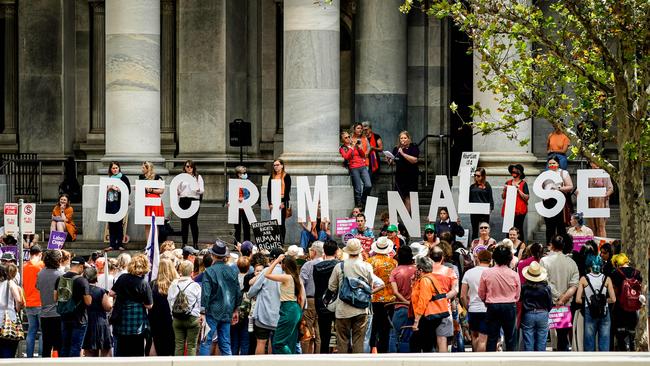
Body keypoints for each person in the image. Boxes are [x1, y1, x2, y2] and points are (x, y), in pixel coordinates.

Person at [328, 238, 374, 353]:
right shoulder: (366, 266)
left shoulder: (339, 266)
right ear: (359, 251)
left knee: (342, 340)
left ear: (347, 251)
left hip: (343, 309)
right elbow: (370, 286)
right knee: (359, 340)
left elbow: (332, 287)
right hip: (361, 308)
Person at [201, 241, 242, 356]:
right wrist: (235, 309)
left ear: (213, 255)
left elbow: (206, 294)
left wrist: (202, 312)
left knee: (206, 342)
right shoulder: (232, 271)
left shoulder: (209, 271)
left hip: (212, 311)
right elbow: (238, 292)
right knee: (225, 344)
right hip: (227, 310)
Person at [540, 235, 579, 351]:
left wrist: (557, 297)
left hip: (551, 302)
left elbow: (544, 281)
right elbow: (574, 285)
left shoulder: (544, 261)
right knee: (563, 335)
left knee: (554, 336)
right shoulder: (572, 263)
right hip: (566, 304)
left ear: (551, 245)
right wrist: (563, 299)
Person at [110, 254, 154, 357]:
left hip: (121, 317)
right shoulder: (143, 283)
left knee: (121, 348)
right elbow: (149, 305)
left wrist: (121, 294)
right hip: (136, 320)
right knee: (137, 349)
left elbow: (111, 293)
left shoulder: (122, 277)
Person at [478, 245, 520, 351]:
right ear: (509, 258)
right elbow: (517, 295)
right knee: (510, 337)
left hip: (493, 306)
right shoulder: (514, 274)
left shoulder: (487, 272)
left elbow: (481, 293)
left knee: (492, 337)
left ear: (494, 257)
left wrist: (486, 301)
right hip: (509, 306)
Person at [409, 256, 451, 353]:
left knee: (416, 343)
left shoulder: (425, 280)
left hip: (427, 316)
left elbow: (423, 300)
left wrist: (416, 321)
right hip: (432, 316)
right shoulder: (430, 278)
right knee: (426, 343)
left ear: (420, 269)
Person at [264, 254, 304, 354]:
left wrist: (277, 260)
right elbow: (301, 298)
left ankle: (289, 360)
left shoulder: (287, 277)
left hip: (289, 308)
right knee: (291, 341)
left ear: (285, 265)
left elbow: (267, 274)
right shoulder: (296, 277)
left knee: (278, 342)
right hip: (296, 309)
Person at [575, 254, 616, 351]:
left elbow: (577, 299)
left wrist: (590, 301)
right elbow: (613, 299)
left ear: (589, 265)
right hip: (604, 311)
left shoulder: (584, 279)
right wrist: (603, 301)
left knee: (589, 341)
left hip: (589, 311)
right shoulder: (607, 279)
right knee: (604, 341)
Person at [55, 256, 92, 357]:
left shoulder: (60, 278)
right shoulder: (82, 281)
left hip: (64, 316)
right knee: (75, 347)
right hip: (79, 318)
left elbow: (55, 297)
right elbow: (88, 302)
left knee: (65, 346)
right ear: (80, 266)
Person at [248, 249, 282, 355]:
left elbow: (252, 291)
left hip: (263, 314)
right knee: (274, 342)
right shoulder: (286, 272)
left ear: (271, 259)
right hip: (280, 315)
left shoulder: (265, 272)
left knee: (261, 342)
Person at [367, 237, 397, 353]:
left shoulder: (369, 262)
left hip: (374, 298)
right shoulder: (393, 262)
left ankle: (372, 350)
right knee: (385, 328)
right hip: (389, 299)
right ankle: (383, 351)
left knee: (373, 327)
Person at [609, 253, 643, 351]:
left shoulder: (615, 273)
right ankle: (632, 352)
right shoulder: (637, 273)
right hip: (634, 308)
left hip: (620, 307)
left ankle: (623, 356)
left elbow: (614, 292)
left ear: (616, 263)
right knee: (631, 333)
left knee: (620, 335)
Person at [168, 260, 202, 356]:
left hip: (177, 318)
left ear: (180, 271)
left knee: (179, 345)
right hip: (192, 319)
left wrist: (173, 314)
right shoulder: (195, 286)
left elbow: (169, 300)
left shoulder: (173, 285)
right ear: (192, 272)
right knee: (192, 346)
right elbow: (200, 303)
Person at [461, 248, 491, 352]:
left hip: (473, 309)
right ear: (490, 260)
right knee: (483, 339)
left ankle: (474, 359)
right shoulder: (492, 272)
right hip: (487, 309)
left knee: (474, 336)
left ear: (478, 259)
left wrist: (468, 307)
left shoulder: (469, 273)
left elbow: (462, 295)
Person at [313, 240, 340, 354]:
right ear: (336, 251)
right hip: (337, 302)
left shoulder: (316, 267)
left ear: (324, 251)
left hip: (321, 302)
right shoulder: (339, 265)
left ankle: (324, 358)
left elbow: (317, 285)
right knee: (341, 334)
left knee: (324, 336)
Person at [389, 246, 417, 353]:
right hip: (414, 307)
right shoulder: (416, 271)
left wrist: (405, 301)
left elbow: (395, 292)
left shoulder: (395, 272)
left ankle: (392, 359)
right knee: (408, 334)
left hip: (400, 306)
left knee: (394, 334)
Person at [519, 261, 553, 351]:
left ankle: (529, 361)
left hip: (528, 314)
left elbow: (520, 300)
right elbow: (550, 303)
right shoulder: (546, 288)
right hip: (543, 313)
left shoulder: (524, 287)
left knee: (528, 340)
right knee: (542, 340)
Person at [36, 249, 64, 357]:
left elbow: (38, 287)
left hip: (44, 313)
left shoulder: (40, 273)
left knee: (46, 345)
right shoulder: (61, 274)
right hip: (58, 313)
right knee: (59, 345)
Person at [81, 267, 113, 357]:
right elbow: (108, 307)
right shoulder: (100, 291)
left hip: (87, 321)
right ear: (96, 277)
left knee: (89, 353)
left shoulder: (82, 291)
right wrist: (110, 299)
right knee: (105, 352)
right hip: (100, 322)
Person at [148, 259, 177, 356]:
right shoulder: (175, 284)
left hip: (155, 319)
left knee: (157, 344)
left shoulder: (152, 284)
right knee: (171, 345)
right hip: (171, 318)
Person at [542, 155, 574, 244]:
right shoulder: (545, 174)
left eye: (554, 163)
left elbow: (570, 186)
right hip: (547, 202)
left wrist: (559, 189)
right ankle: (549, 246)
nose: (552, 165)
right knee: (549, 226)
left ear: (558, 164)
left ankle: (562, 247)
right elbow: (541, 187)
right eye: (550, 164)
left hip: (559, 201)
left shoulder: (563, 173)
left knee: (560, 226)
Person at [299, 241, 324, 353]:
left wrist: (301, 301)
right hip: (323, 301)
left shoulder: (308, 265)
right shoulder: (326, 264)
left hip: (310, 300)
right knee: (319, 332)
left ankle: (305, 357)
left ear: (313, 252)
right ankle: (318, 356)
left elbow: (301, 283)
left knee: (307, 331)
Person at [340, 130, 373, 209]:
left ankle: (363, 200)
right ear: (342, 140)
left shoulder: (354, 145)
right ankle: (359, 204)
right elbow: (346, 157)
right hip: (353, 168)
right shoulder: (342, 148)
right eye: (346, 138)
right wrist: (351, 148)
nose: (348, 138)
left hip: (362, 166)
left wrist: (359, 148)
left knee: (368, 185)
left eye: (349, 136)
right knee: (358, 188)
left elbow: (363, 155)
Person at [387, 131, 420, 210]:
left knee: (408, 196)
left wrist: (403, 154)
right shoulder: (396, 149)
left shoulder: (414, 147)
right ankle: (402, 213)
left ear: (409, 139)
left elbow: (414, 160)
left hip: (411, 176)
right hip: (400, 176)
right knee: (400, 195)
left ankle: (407, 215)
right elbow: (393, 162)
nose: (403, 139)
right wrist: (389, 160)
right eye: (401, 138)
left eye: (405, 138)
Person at [23, 244, 44, 358]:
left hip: (29, 303)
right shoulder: (41, 266)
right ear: (40, 254)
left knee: (31, 331)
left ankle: (29, 356)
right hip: (40, 303)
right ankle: (41, 355)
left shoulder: (24, 267)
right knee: (43, 331)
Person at [178, 160, 204, 248]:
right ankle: (184, 243)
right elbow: (177, 190)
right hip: (183, 200)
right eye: (187, 166)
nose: (189, 168)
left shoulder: (198, 177)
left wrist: (196, 189)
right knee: (184, 223)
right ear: (184, 167)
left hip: (194, 201)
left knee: (193, 223)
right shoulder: (181, 177)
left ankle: (195, 243)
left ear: (194, 167)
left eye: (191, 166)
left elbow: (202, 190)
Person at [105, 161, 131, 251]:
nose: (115, 169)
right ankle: (112, 244)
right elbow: (104, 191)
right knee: (111, 225)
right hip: (110, 203)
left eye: (116, 168)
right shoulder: (109, 179)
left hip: (119, 204)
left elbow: (128, 191)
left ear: (119, 168)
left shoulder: (123, 178)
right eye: (113, 168)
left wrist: (119, 190)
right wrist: (110, 188)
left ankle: (119, 244)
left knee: (119, 225)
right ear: (110, 169)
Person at [585, 161, 614, 237]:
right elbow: (581, 188)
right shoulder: (586, 173)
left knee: (601, 226)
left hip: (601, 202)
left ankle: (602, 246)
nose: (596, 163)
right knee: (591, 227)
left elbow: (611, 188)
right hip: (589, 201)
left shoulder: (604, 173)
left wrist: (605, 195)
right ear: (591, 163)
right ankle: (592, 246)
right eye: (594, 162)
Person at [0, 265, 23, 358]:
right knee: (9, 344)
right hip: (9, 317)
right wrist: (17, 309)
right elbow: (18, 299)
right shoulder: (10, 283)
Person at [501, 164, 529, 241]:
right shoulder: (508, 182)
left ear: (519, 172)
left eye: (515, 171)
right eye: (512, 171)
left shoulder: (523, 183)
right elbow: (503, 197)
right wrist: (504, 190)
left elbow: (527, 197)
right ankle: (508, 246)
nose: (513, 172)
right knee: (508, 229)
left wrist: (518, 190)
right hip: (509, 210)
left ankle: (520, 247)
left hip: (519, 210)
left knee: (518, 228)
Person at [267, 159, 291, 243]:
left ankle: (282, 242)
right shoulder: (272, 176)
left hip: (282, 200)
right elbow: (269, 191)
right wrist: (270, 203)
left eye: (277, 165)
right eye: (274, 165)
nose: (276, 167)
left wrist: (284, 202)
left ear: (282, 165)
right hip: (274, 201)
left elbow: (287, 191)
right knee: (274, 223)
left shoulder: (286, 176)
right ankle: (275, 241)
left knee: (281, 223)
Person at [139, 161, 165, 241]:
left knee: (155, 223)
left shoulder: (157, 177)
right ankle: (148, 245)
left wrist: (151, 190)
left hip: (155, 201)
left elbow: (162, 190)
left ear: (148, 168)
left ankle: (154, 244)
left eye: (143, 167)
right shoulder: (141, 177)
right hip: (145, 201)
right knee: (147, 224)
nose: (142, 169)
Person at [469, 168, 494, 240]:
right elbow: (469, 199)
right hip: (474, 210)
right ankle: (474, 246)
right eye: (475, 175)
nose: (476, 177)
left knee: (485, 230)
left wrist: (491, 208)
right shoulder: (472, 187)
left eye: (478, 176)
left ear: (483, 176)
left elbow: (490, 197)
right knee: (474, 230)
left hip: (484, 210)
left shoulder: (487, 185)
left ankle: (486, 245)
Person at [232, 165, 251, 244]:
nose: (245, 174)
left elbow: (250, 194)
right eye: (243, 173)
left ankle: (247, 243)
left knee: (246, 226)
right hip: (236, 208)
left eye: (245, 172)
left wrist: (243, 198)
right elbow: (230, 194)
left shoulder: (248, 182)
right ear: (239, 174)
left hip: (245, 207)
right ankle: (237, 244)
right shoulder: (234, 183)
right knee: (237, 227)